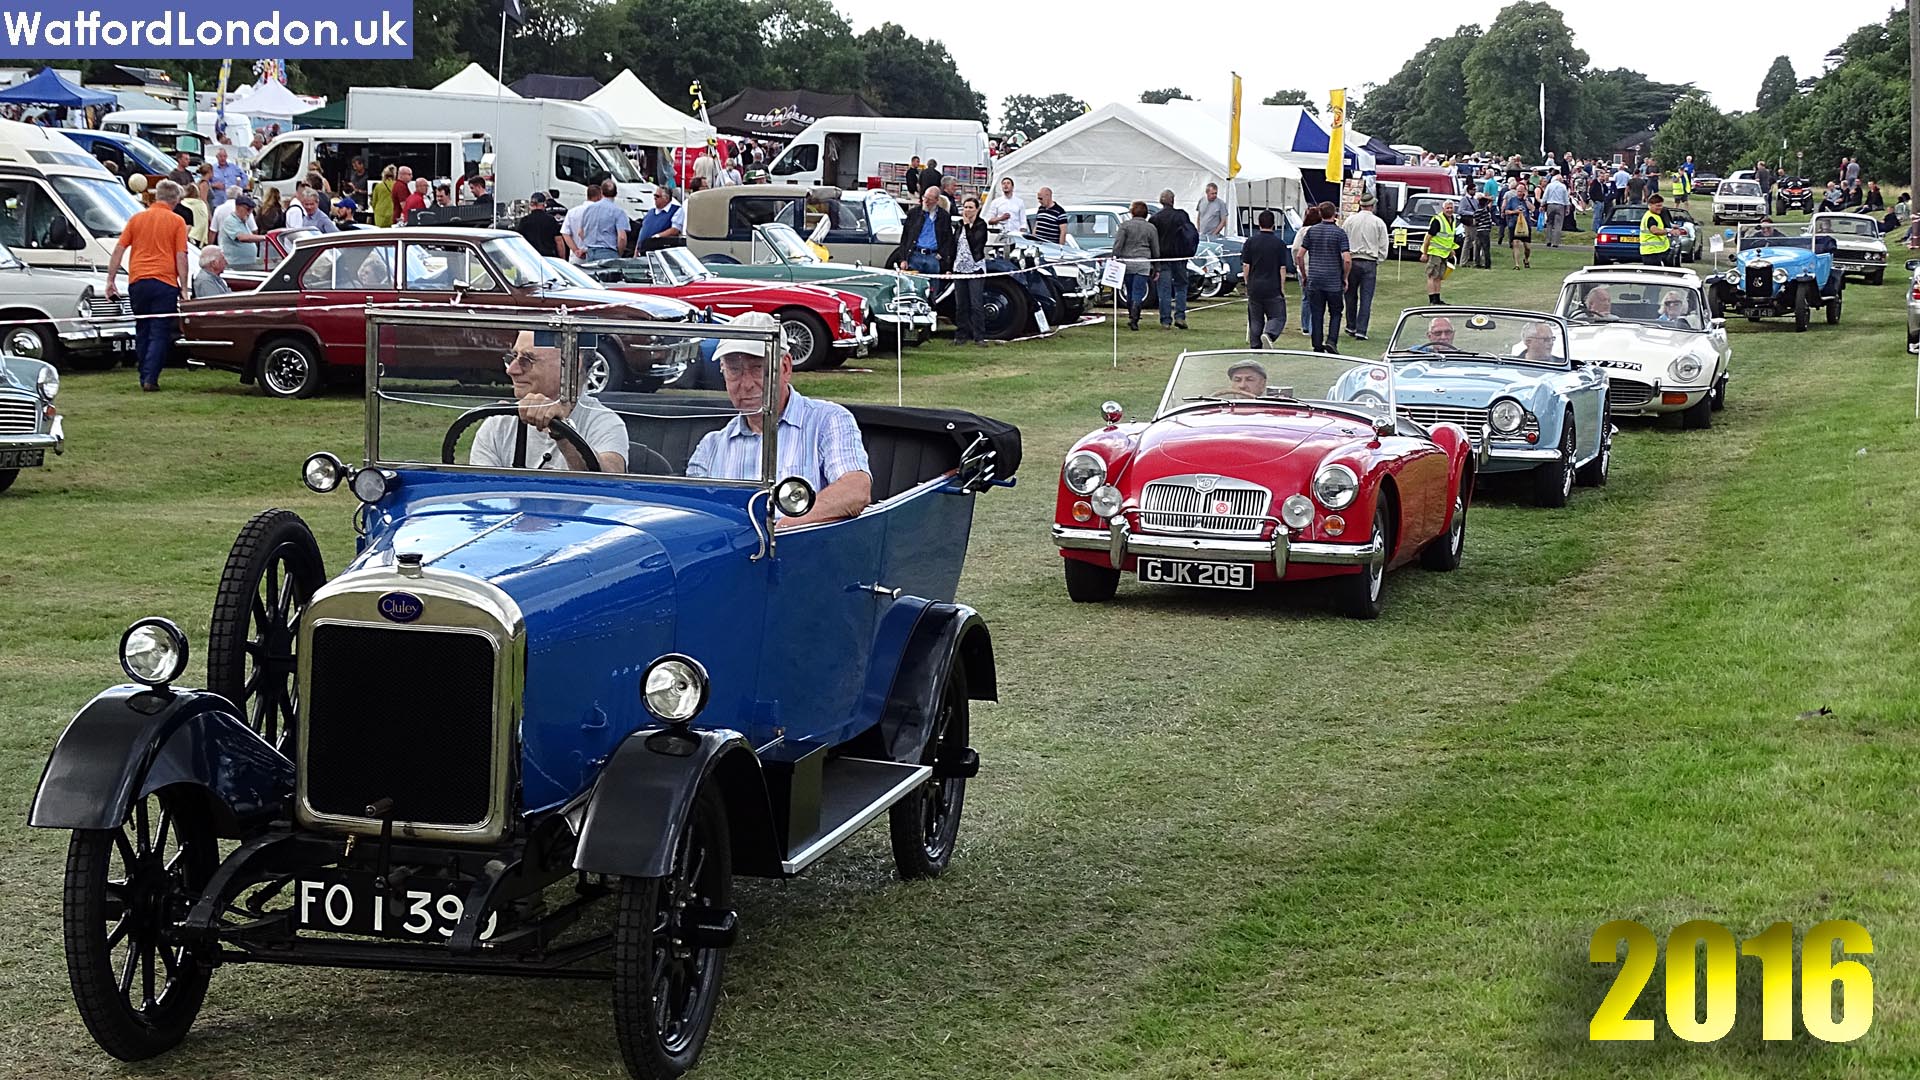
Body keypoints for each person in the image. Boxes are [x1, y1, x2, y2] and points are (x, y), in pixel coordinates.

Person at [686, 312, 872, 527]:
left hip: (803, 551)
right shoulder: (711, 447)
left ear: (785, 368)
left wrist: (780, 530)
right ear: (722, 372)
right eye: (734, 370)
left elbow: (855, 490)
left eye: (758, 368)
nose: (746, 384)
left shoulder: (828, 421)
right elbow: (695, 515)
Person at [471, 330, 629, 473]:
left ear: (570, 365)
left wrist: (564, 435)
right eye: (512, 357)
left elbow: (610, 481)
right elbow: (481, 492)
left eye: (527, 360)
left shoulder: (603, 422)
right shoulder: (499, 423)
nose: (511, 370)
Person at [104, 179, 190, 392]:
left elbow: (119, 250)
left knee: (142, 328)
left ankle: (144, 372)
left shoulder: (137, 219)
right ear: (175, 200)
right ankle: (150, 377)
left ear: (156, 196)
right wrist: (184, 286)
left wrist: (110, 279)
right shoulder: (177, 221)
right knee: (159, 331)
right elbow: (181, 255)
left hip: (138, 281)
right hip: (164, 282)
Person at [1295, 200, 1351, 354]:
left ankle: (1317, 344)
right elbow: (1347, 259)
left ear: (1320, 214)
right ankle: (1332, 341)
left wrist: (1304, 274)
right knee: (1335, 312)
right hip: (1333, 280)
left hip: (1315, 279)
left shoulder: (1311, 231)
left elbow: (1300, 255)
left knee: (1317, 312)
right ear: (1335, 214)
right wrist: (1345, 277)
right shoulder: (1340, 233)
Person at [1342, 194, 1388, 341]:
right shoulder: (1378, 222)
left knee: (1350, 296)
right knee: (1366, 298)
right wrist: (1378, 259)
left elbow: (1343, 241)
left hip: (1352, 260)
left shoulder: (1349, 221)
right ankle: (1361, 330)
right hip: (1369, 261)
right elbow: (1383, 244)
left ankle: (1351, 325)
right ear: (1372, 206)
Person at [1240, 209, 1288, 347]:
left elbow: (1246, 265)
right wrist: (1282, 287)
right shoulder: (1279, 244)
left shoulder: (1250, 242)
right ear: (1273, 224)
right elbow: (1282, 268)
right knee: (1278, 316)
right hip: (1272, 286)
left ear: (1258, 223)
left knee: (1255, 319)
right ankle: (1269, 333)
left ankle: (1255, 346)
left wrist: (1247, 282)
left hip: (1255, 285)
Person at [1153, 188, 1197, 329]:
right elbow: (1191, 234)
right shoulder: (1181, 216)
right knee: (1181, 287)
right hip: (1179, 257)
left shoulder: (1155, 219)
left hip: (1163, 258)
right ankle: (1180, 316)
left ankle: (1165, 320)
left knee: (1164, 290)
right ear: (1173, 201)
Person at [1111, 201, 1159, 332]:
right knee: (1138, 291)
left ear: (1132, 212)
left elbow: (1118, 245)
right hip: (1143, 263)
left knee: (1129, 291)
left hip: (1127, 262)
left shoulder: (1124, 226)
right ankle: (1135, 318)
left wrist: (1114, 258)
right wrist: (1157, 267)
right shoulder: (1151, 228)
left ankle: (1131, 314)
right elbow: (1155, 249)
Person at [951, 195, 989, 346]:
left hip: (975, 268)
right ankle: (961, 335)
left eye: (970, 208)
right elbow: (955, 245)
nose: (967, 210)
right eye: (965, 207)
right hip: (959, 268)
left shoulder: (981, 225)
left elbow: (975, 244)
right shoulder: (959, 225)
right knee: (961, 304)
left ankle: (979, 336)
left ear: (977, 209)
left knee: (976, 304)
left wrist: (968, 226)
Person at [891, 186, 955, 275]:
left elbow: (948, 239)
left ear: (937, 200)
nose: (926, 201)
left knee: (933, 286)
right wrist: (903, 259)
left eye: (930, 199)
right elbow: (905, 238)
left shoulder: (944, 216)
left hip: (933, 257)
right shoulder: (914, 214)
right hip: (915, 255)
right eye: (924, 198)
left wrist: (942, 255)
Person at [576, 177, 629, 262]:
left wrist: (589, 243)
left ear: (601, 192)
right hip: (609, 252)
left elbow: (580, 232)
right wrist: (619, 253)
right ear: (616, 194)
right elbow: (622, 237)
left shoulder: (589, 209)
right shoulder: (618, 212)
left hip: (590, 252)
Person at [1419, 200, 1460, 304]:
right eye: (1447, 208)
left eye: (1451, 208)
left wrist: (1451, 249)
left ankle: (1437, 299)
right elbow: (1428, 238)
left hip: (1444, 253)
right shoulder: (1438, 220)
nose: (1450, 210)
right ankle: (1432, 299)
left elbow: (1448, 237)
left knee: (1439, 277)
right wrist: (1425, 253)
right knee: (1432, 275)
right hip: (1435, 252)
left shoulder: (1453, 219)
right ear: (1443, 209)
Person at [218, 194, 268, 270]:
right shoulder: (230, 221)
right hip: (235, 266)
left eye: (251, 211)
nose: (249, 213)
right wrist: (265, 238)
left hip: (245, 265)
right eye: (247, 209)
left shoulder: (242, 222)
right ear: (238, 207)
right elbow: (241, 237)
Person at [1292, 205, 1320, 337]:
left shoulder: (1302, 231)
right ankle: (1313, 326)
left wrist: (1297, 264)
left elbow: (1295, 249)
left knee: (1306, 298)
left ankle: (1305, 326)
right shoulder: (1320, 231)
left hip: (1303, 267)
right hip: (1318, 268)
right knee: (1317, 299)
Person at [634, 185, 686, 252]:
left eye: (657, 196)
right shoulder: (650, 212)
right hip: (643, 250)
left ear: (666, 198)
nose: (655, 198)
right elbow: (642, 232)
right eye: (654, 196)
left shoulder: (676, 210)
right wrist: (636, 250)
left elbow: (675, 229)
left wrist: (657, 236)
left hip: (658, 250)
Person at [516, 191, 563, 257]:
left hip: (531, 257)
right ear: (544, 204)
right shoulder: (551, 220)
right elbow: (559, 241)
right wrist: (562, 260)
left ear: (531, 205)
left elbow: (519, 241)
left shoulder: (524, 221)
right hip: (548, 257)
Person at [1503, 181, 1533, 269]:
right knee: (1515, 244)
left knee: (1527, 247)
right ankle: (1517, 264)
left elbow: (1532, 208)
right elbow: (1506, 211)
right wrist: (1515, 212)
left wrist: (1526, 200)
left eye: (1521, 191)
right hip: (1514, 225)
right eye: (1518, 191)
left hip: (1525, 225)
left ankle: (1526, 259)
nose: (1520, 193)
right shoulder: (1512, 200)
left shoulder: (1527, 200)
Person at [1639, 193, 1672, 267]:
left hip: (1656, 251)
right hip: (1652, 253)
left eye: (1661, 205)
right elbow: (1654, 230)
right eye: (1657, 206)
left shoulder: (1655, 215)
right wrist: (1668, 231)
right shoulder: (1651, 217)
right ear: (1650, 205)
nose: (1660, 208)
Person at [1541, 171, 1571, 247]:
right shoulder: (1563, 186)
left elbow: (1545, 196)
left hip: (1550, 205)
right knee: (1558, 224)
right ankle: (1555, 242)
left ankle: (1548, 240)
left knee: (1549, 223)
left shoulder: (1549, 186)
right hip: (1560, 206)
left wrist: (1542, 205)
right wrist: (1567, 207)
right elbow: (1566, 198)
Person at [1471, 192, 1495, 269]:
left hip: (1479, 230)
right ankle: (1487, 264)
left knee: (1477, 247)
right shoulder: (1486, 209)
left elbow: (1475, 222)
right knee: (1486, 248)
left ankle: (1477, 263)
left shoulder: (1476, 212)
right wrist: (1486, 198)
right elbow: (1491, 200)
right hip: (1486, 231)